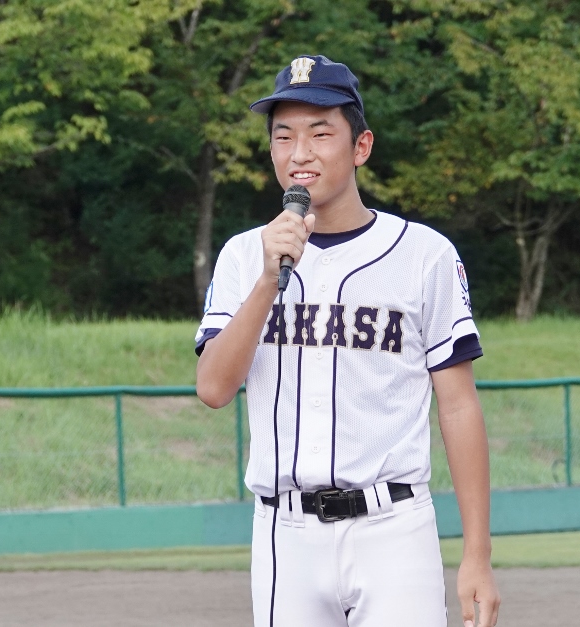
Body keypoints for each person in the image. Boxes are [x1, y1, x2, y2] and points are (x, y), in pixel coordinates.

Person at [195, 54, 499, 627]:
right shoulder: (244, 255)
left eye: (320, 133)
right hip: (284, 532)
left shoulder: (424, 254)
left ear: (361, 146)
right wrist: (267, 280)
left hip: (394, 528)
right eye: (283, 135)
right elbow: (213, 388)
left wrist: (477, 555)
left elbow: (459, 406)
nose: (299, 153)